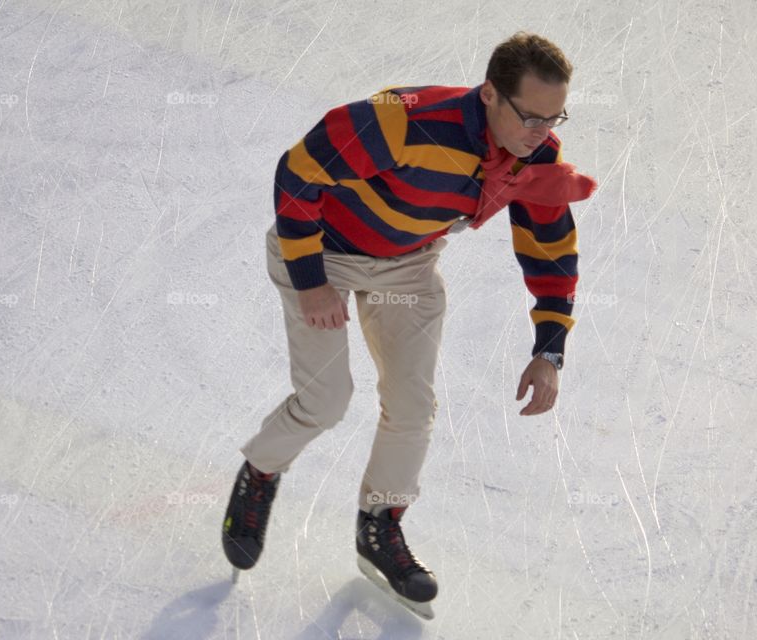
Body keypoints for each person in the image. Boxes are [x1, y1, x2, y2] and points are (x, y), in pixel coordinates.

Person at [221, 31, 597, 608]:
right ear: (491, 94)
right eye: (530, 117)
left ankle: (380, 523)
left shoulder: (536, 157)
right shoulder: (405, 120)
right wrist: (312, 282)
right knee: (326, 401)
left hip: (407, 267)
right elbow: (298, 173)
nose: (541, 134)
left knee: (413, 407)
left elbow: (550, 250)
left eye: (554, 119)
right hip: (323, 254)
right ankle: (261, 473)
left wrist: (549, 350)